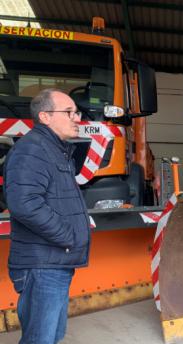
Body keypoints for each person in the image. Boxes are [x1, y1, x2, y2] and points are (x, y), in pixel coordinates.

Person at [4, 89, 90, 343]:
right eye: (69, 112)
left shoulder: (53, 150)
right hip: (43, 265)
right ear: (45, 116)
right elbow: (25, 203)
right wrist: (66, 236)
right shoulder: (33, 150)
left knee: (51, 336)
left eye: (77, 112)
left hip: (53, 262)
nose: (76, 118)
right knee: (40, 339)